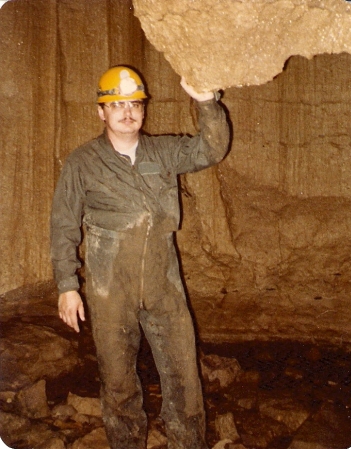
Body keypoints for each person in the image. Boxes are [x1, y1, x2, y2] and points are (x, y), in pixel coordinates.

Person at [50, 65, 230, 449]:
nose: (127, 111)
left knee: (184, 378)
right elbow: (64, 225)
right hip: (109, 288)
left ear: (144, 110)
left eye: (135, 103)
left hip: (163, 283)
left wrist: (206, 102)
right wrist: (67, 286)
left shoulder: (163, 151)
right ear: (101, 112)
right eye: (117, 105)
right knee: (118, 382)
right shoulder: (82, 162)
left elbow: (212, 148)